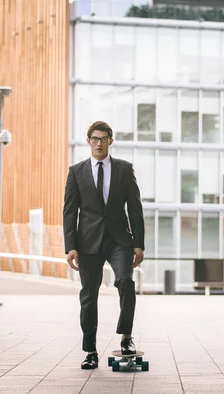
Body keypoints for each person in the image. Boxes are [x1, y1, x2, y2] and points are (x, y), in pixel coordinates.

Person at [63, 120, 145, 370]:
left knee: (126, 283)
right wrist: (70, 245)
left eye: (104, 138)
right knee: (88, 295)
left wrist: (138, 243)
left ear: (111, 141)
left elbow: (135, 207)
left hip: (119, 239)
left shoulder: (124, 169)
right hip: (87, 243)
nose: (99, 143)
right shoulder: (76, 171)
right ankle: (90, 351)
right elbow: (70, 211)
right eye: (95, 139)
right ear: (88, 141)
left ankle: (126, 337)